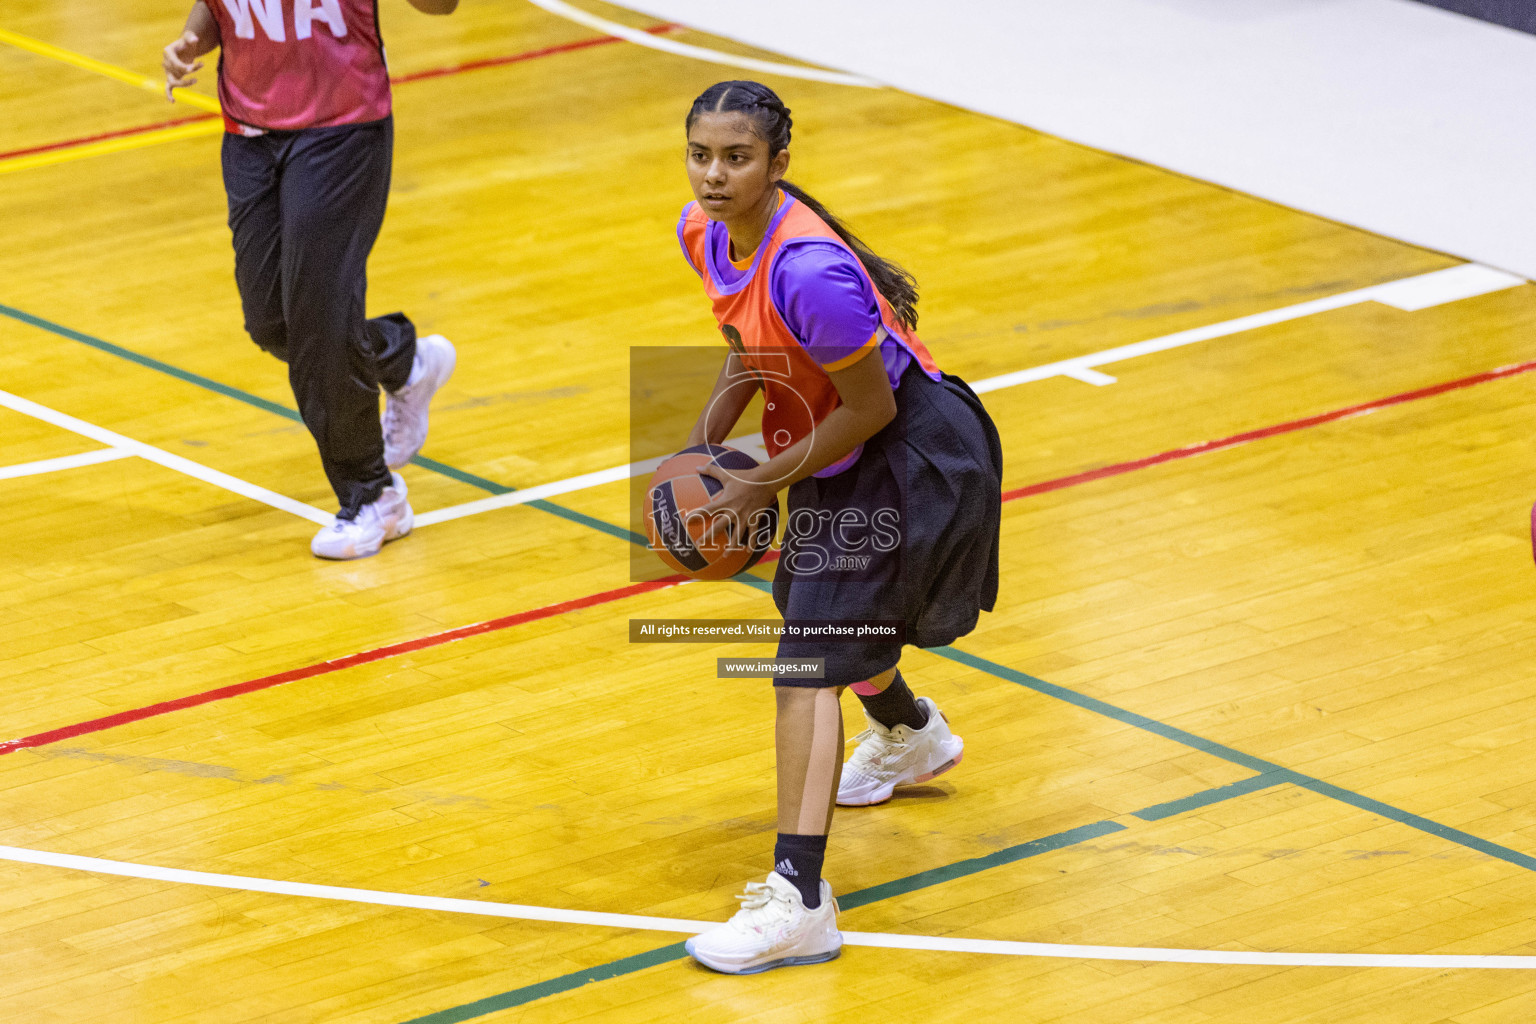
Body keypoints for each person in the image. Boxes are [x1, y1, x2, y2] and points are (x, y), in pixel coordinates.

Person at [674, 81, 1003, 974]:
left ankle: (800, 900)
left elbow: (870, 405)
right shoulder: (704, 232)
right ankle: (909, 734)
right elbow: (750, 348)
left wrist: (754, 488)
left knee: (805, 664)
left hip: (909, 453)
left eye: (736, 158)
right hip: (838, 448)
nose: (714, 175)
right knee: (822, 620)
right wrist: (705, 453)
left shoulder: (808, 269)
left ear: (778, 165)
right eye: (701, 155)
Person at [161, 0, 459, 559]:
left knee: (319, 320)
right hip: (249, 133)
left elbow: (441, 7)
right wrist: (191, 40)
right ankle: (401, 359)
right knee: (273, 321)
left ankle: (374, 496)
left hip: (341, 131)